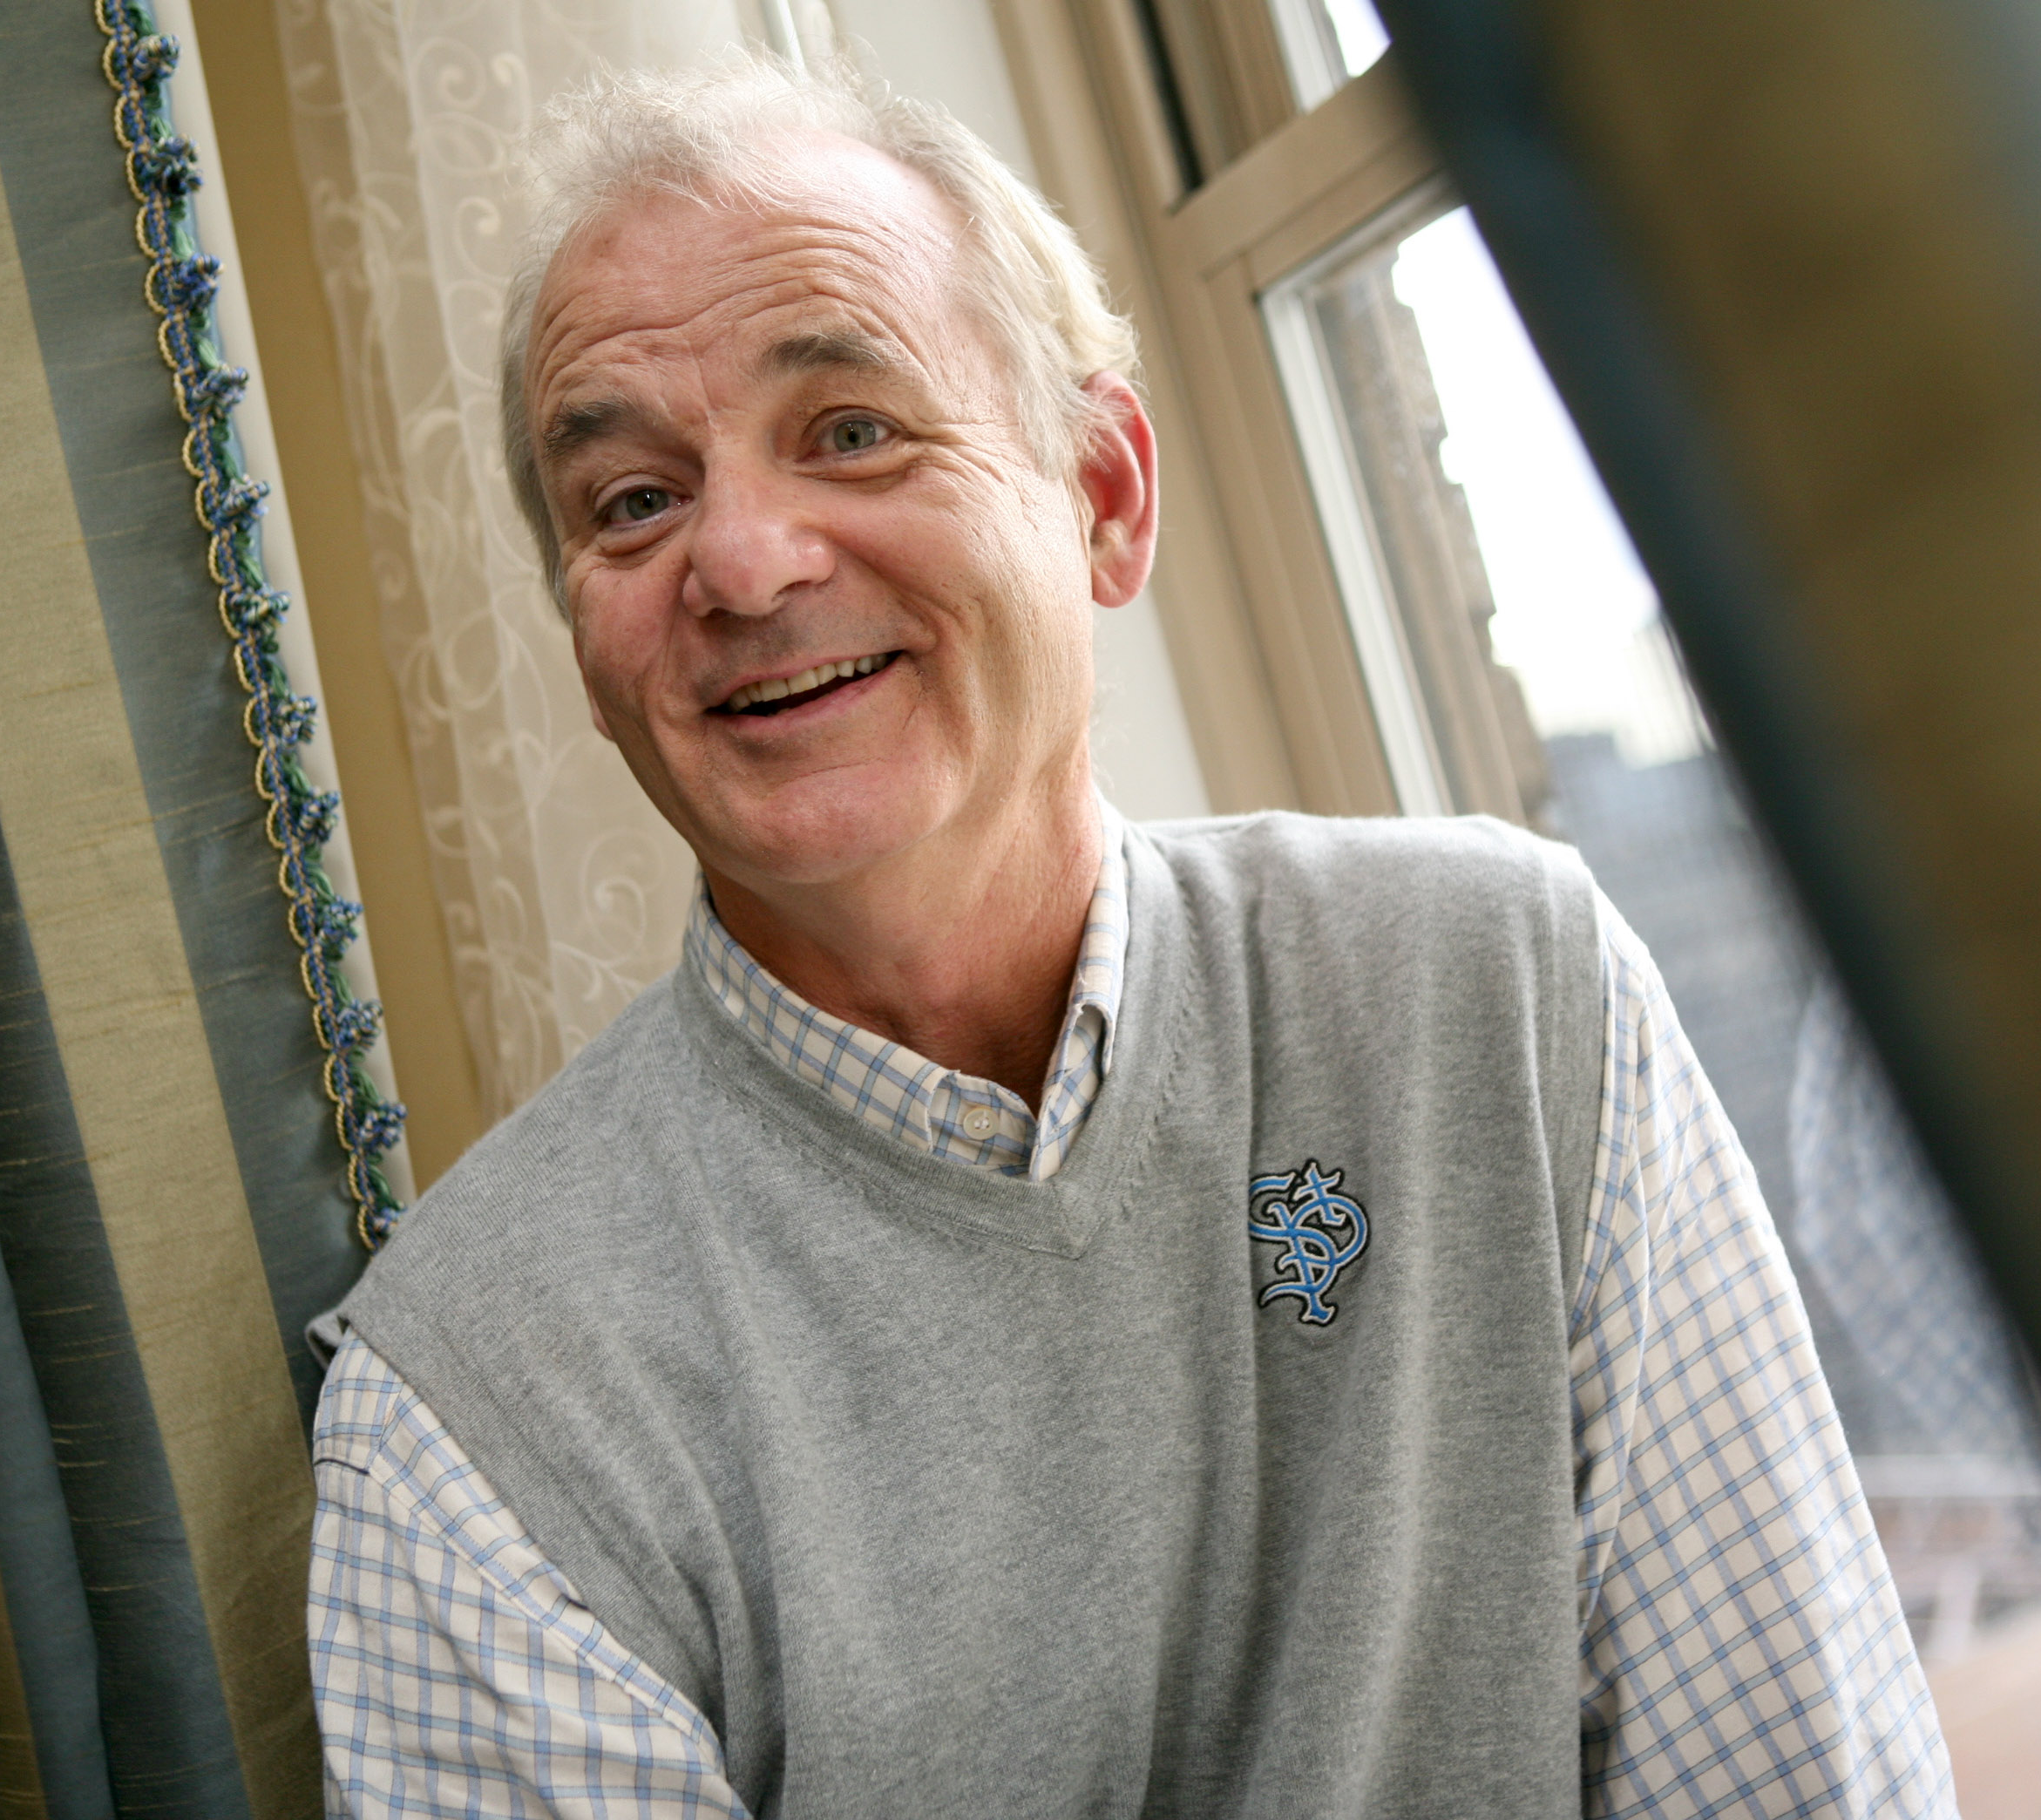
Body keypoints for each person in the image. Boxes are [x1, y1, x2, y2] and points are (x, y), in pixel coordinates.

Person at [305, 54, 1954, 1820]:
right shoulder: (467, 1413)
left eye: (851, 429)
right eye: (631, 501)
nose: (745, 561)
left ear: (1101, 493)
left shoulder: (1499, 990)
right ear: (586, 640)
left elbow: (1790, 1779)